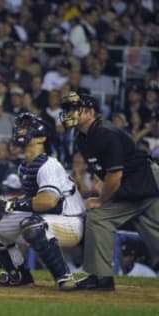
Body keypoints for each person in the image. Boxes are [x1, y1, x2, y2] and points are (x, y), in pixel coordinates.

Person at [60, 92, 159, 291]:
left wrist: (101, 199)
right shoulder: (82, 136)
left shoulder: (105, 132)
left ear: (90, 112)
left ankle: (101, 278)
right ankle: (101, 278)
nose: (70, 113)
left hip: (145, 181)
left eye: (75, 109)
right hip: (133, 186)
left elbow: (115, 175)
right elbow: (103, 169)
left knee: (99, 216)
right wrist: (102, 184)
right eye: (69, 109)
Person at [0, 112, 85, 291]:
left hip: (71, 220)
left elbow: (48, 201)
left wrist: (12, 205)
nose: (21, 131)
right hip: (49, 218)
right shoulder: (25, 166)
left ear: (42, 138)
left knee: (32, 225)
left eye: (28, 128)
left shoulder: (49, 165)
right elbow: (32, 200)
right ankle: (19, 275)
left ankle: (64, 277)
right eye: (20, 127)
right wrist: (4, 202)